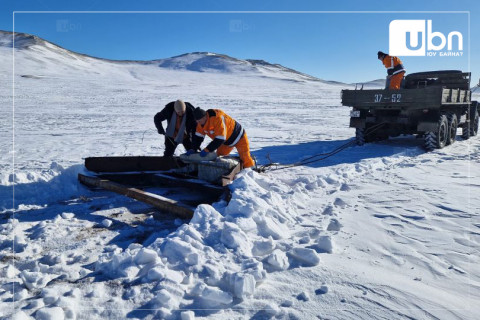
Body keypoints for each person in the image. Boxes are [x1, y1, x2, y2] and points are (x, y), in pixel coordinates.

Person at [187, 107, 255, 168]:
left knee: (245, 157)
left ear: (204, 117)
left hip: (239, 137)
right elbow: (198, 138)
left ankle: (252, 172)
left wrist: (207, 150)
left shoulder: (217, 118)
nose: (198, 123)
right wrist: (193, 148)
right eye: (197, 121)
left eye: (199, 121)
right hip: (226, 142)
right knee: (219, 158)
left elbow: (220, 139)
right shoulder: (201, 123)